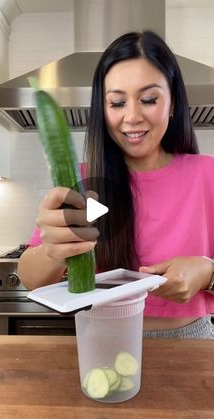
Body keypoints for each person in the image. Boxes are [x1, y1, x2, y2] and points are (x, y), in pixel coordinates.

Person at [18, 30, 214, 339]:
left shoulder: (208, 175)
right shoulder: (85, 182)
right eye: (117, 103)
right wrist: (53, 250)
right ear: (102, 109)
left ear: (173, 103)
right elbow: (30, 278)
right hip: (103, 341)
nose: (132, 116)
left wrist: (208, 273)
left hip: (192, 342)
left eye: (149, 99)